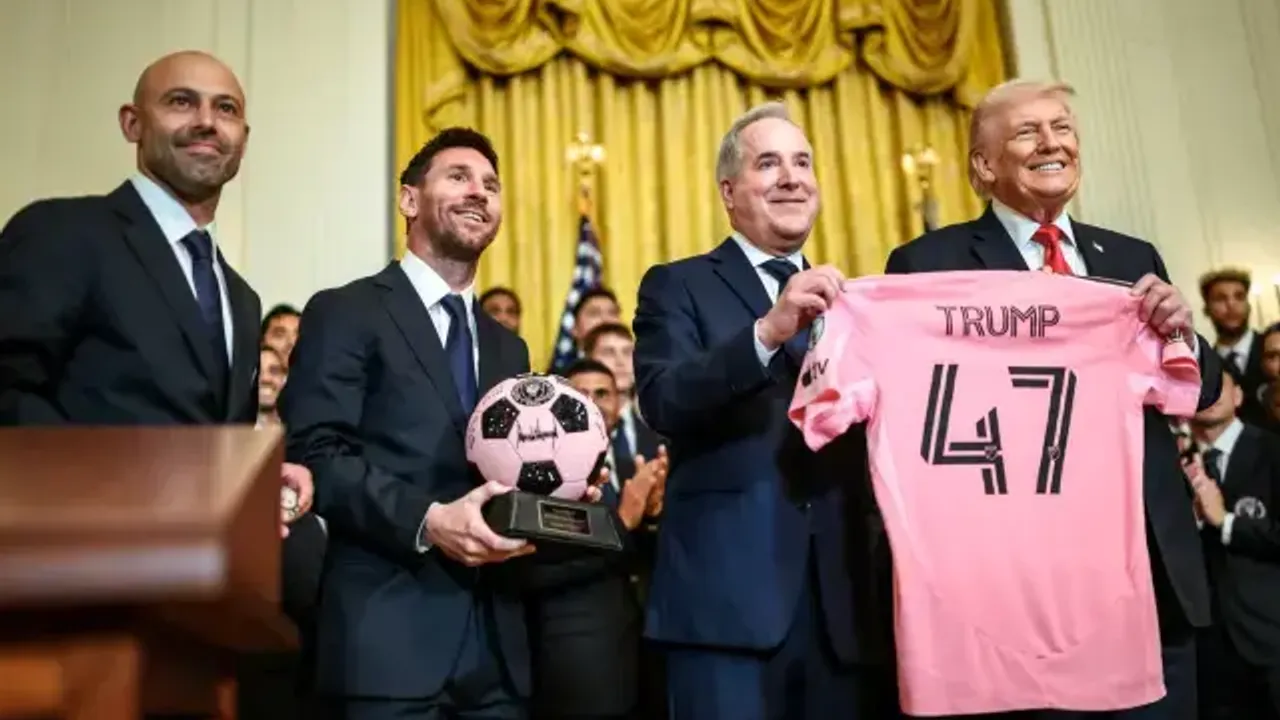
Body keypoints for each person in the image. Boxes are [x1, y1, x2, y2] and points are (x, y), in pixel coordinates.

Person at [884, 78, 1224, 719]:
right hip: (1019, 596)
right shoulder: (928, 264)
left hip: (1150, 582)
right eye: (1027, 132)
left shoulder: (1132, 256)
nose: (1052, 143)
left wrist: (1181, 331)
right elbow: (918, 422)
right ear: (984, 166)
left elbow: (1199, 394)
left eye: (1062, 127)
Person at [0, 49, 315, 717]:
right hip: (66, 616)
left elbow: (216, 446)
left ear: (243, 138)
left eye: (225, 109)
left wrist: (259, 484)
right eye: (181, 101)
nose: (206, 121)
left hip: (198, 632)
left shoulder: (241, 298)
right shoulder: (63, 232)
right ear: (132, 123)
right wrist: (105, 509)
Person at [280, 127, 598, 719]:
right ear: (409, 200)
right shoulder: (346, 311)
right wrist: (428, 520)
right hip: (386, 644)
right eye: (459, 177)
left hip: (499, 653)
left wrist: (565, 491)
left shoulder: (509, 347)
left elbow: (506, 479)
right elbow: (319, 454)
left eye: (491, 185)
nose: (479, 192)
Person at [632, 102, 893, 719]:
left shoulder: (855, 303)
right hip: (725, 609)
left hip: (843, 610)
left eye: (802, 162)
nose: (791, 178)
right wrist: (767, 332)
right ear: (729, 191)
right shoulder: (678, 284)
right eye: (769, 163)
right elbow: (664, 399)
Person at [1187, 368, 1280, 719]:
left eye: (1218, 385)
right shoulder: (1170, 461)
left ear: (1239, 395)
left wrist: (1226, 522)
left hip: (1269, 636)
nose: (1209, 393)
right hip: (1202, 645)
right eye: (1199, 386)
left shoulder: (1272, 450)